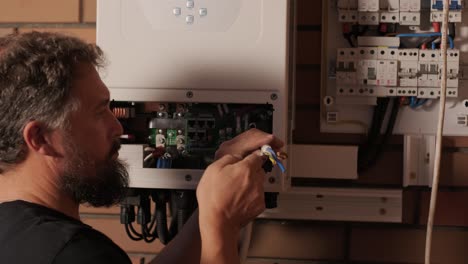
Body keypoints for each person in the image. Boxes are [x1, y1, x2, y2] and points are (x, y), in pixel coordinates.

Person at [0, 32, 284, 264]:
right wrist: (220, 225)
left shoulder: (16, 232)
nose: (118, 128)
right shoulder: (74, 254)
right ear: (40, 138)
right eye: (100, 112)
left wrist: (209, 211)